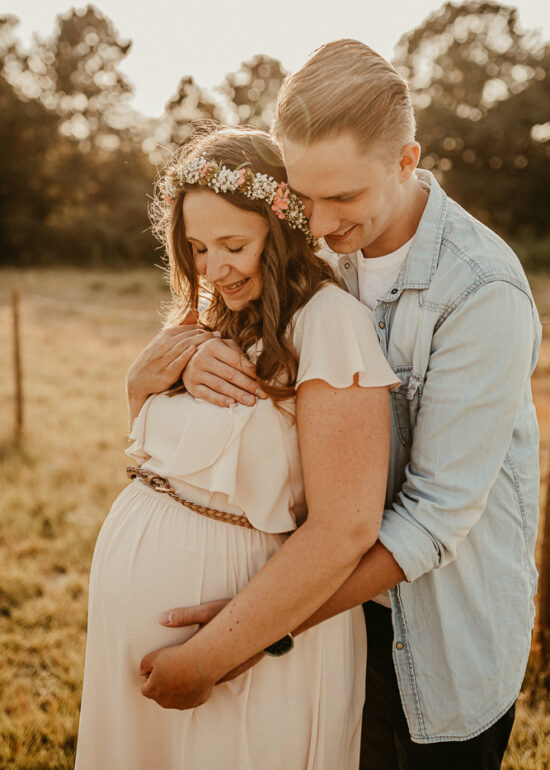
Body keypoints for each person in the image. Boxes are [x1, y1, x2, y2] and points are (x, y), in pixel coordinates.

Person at [131, 40, 542, 770]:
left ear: (408, 161)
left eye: (343, 197)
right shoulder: (313, 256)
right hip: (326, 630)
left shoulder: (482, 293)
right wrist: (192, 364)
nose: (316, 223)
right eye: (304, 196)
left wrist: (243, 631)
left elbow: (433, 519)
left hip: (440, 640)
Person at [74, 125, 400, 769]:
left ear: (280, 233)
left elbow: (347, 524)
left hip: (247, 640)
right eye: (196, 248)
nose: (212, 268)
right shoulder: (218, 317)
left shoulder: (330, 323)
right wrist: (143, 383)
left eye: (233, 245)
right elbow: (162, 462)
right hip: (137, 624)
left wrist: (211, 655)